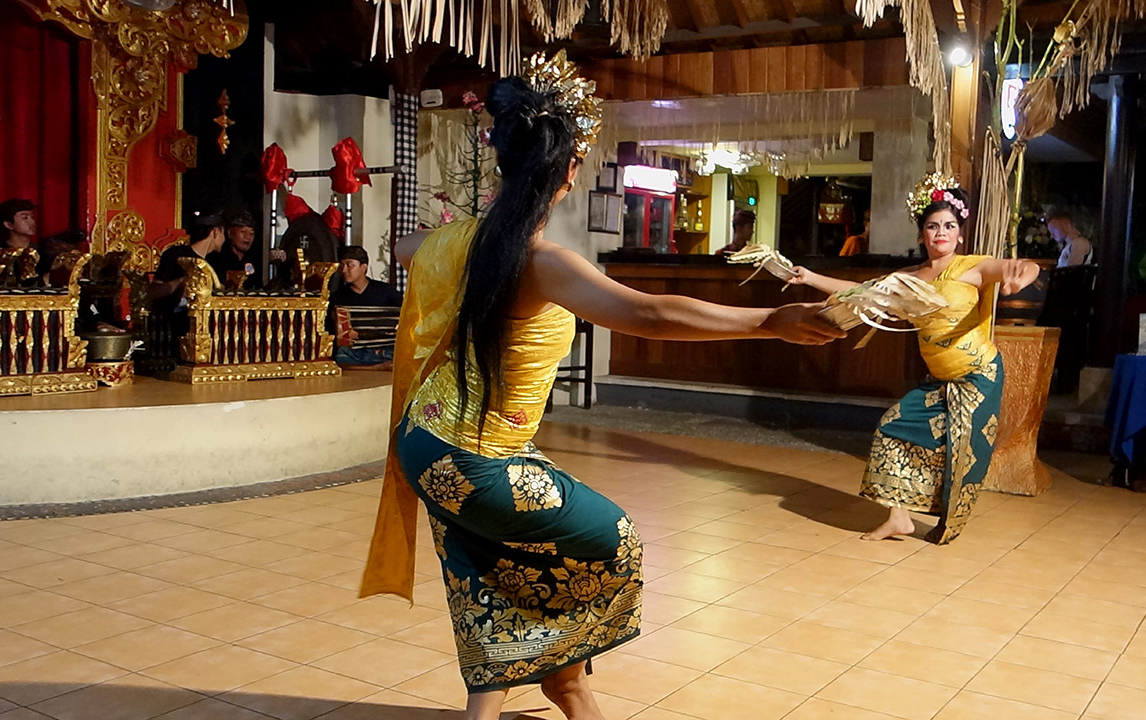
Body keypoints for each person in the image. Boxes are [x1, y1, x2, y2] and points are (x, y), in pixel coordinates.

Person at [359, 52, 843, 720]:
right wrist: (768, 321)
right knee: (612, 539)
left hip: (426, 446)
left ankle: (539, 697)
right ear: (569, 173)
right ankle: (568, 686)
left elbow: (404, 247)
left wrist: (444, 236)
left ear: (504, 163)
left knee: (490, 564)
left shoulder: (459, 242)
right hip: (479, 459)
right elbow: (649, 314)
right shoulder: (540, 262)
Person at [786, 178, 1039, 544]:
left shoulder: (973, 267)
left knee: (962, 455)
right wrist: (809, 276)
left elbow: (1025, 267)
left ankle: (944, 522)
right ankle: (899, 518)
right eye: (933, 226)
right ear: (922, 234)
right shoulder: (907, 277)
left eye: (949, 226)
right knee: (891, 427)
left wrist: (1019, 279)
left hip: (978, 375)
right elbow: (860, 293)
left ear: (960, 234)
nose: (941, 233)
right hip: (940, 380)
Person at [327, 245, 403, 369]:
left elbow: (405, 317)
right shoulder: (338, 296)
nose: (344, 270)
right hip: (353, 352)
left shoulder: (386, 291)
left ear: (364, 267)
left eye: (350, 265)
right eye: (342, 265)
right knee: (340, 355)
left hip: (383, 349)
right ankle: (376, 368)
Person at [150, 211, 226, 316]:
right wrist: (180, 282)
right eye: (223, 233)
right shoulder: (176, 255)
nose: (224, 239)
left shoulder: (216, 261)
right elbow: (154, 291)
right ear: (216, 232)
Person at [207, 210, 260, 289]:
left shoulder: (254, 259)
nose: (248, 237)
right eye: (243, 231)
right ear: (230, 233)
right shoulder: (217, 259)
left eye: (251, 233)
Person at [0, 198, 40, 267]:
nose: (32, 222)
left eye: (32, 217)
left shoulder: (41, 252)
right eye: (25, 217)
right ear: (8, 224)